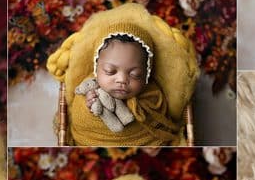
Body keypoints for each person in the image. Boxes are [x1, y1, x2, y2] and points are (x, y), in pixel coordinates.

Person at [66, 15, 182, 146]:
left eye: (135, 74)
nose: (122, 80)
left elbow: (158, 122)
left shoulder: (153, 96)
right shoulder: (88, 87)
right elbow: (80, 117)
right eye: (110, 71)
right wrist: (89, 105)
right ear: (96, 69)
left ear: (146, 74)